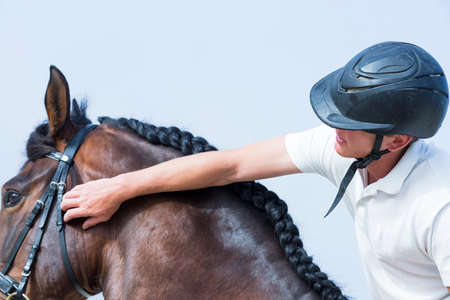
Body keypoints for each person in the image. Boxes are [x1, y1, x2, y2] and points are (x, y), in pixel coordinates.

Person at [61, 42, 450, 299]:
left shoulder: (439, 205)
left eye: (351, 123)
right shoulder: (345, 147)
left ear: (396, 141)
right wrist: (118, 188)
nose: (335, 128)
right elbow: (231, 165)